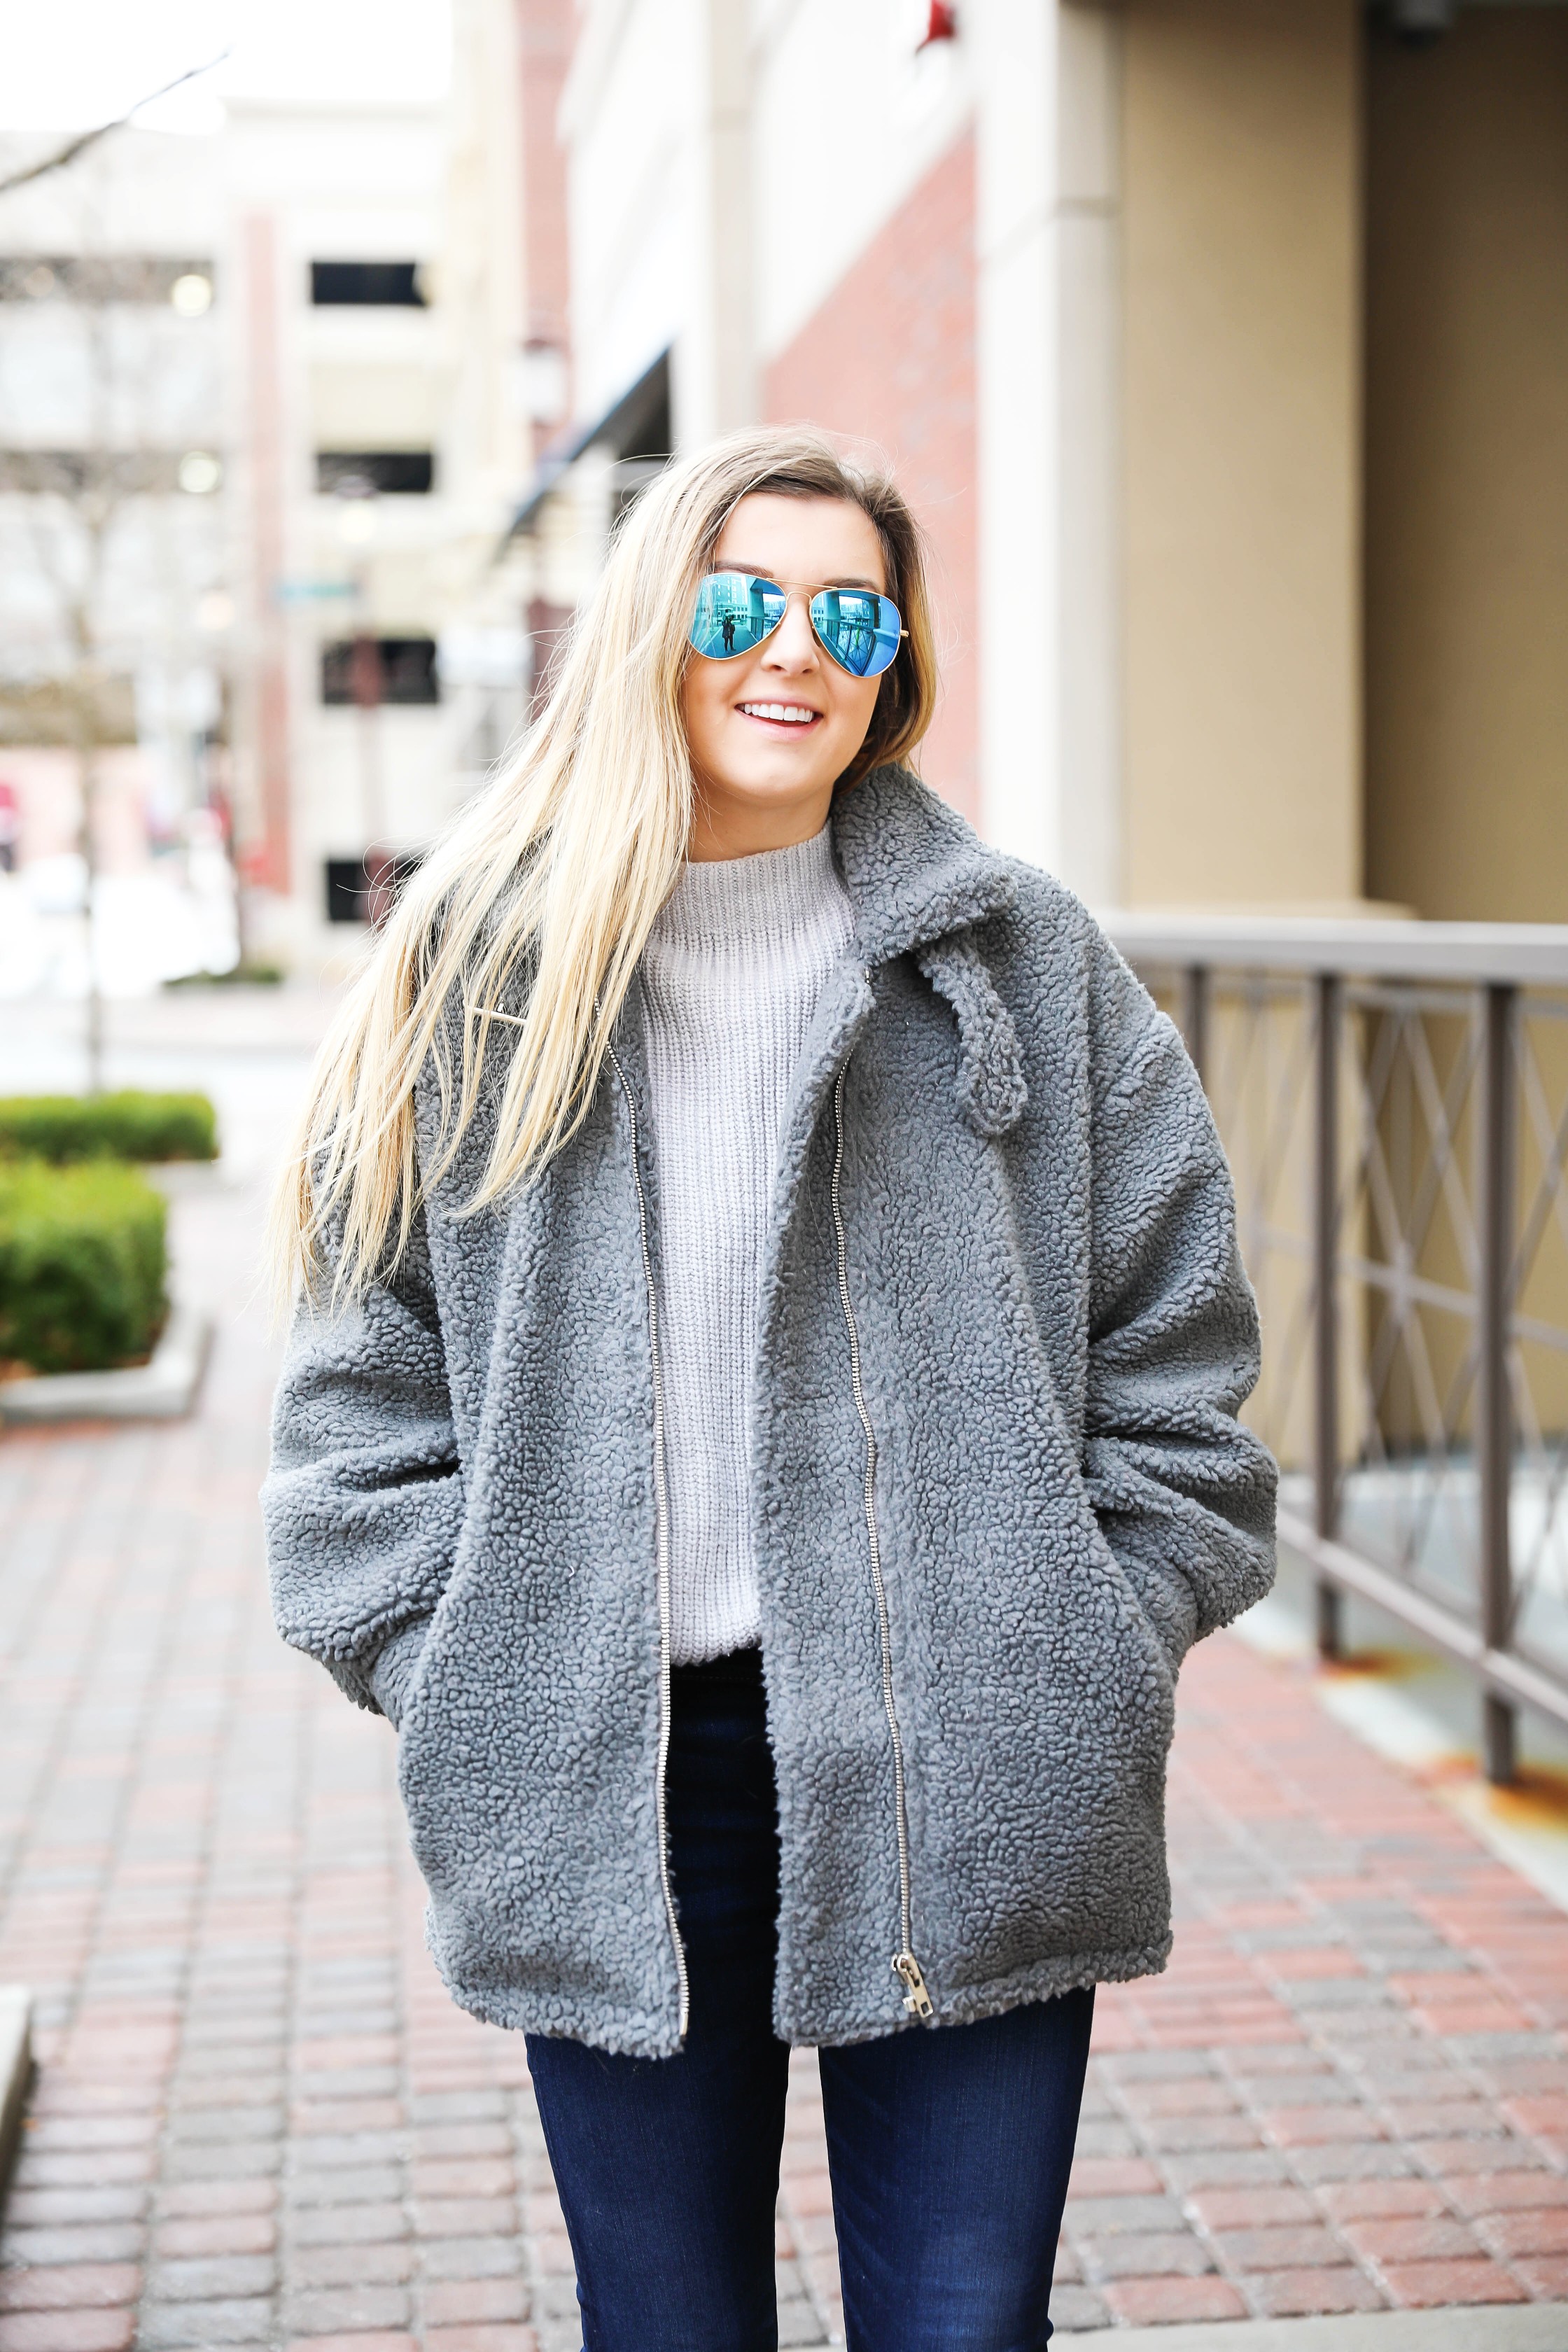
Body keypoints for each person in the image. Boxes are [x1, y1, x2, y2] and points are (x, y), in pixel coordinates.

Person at [263, 426, 1276, 2351]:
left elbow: (1181, 1366)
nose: (790, 651)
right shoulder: (485, 980)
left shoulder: (1021, 966)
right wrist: (467, 1649)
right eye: (740, 604)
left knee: (965, 2329)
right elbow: (355, 1415)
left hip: (974, 1756)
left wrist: (1088, 1632)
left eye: (848, 614)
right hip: (606, 1772)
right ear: (656, 629)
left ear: (896, 664)